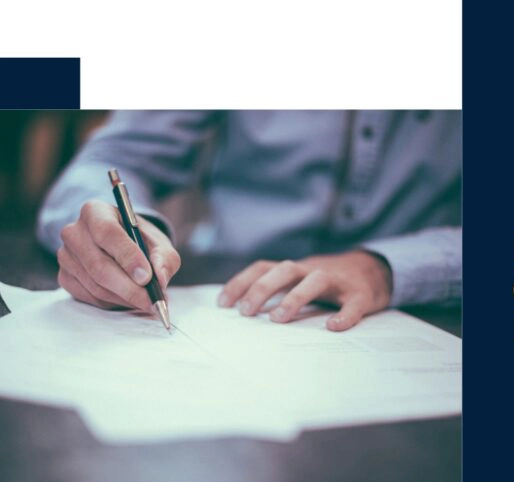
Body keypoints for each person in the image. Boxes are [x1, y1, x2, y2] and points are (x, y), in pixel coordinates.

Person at [36, 111, 461, 331]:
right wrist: (115, 233)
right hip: (227, 293)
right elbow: (112, 160)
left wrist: (385, 267)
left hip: (426, 313)